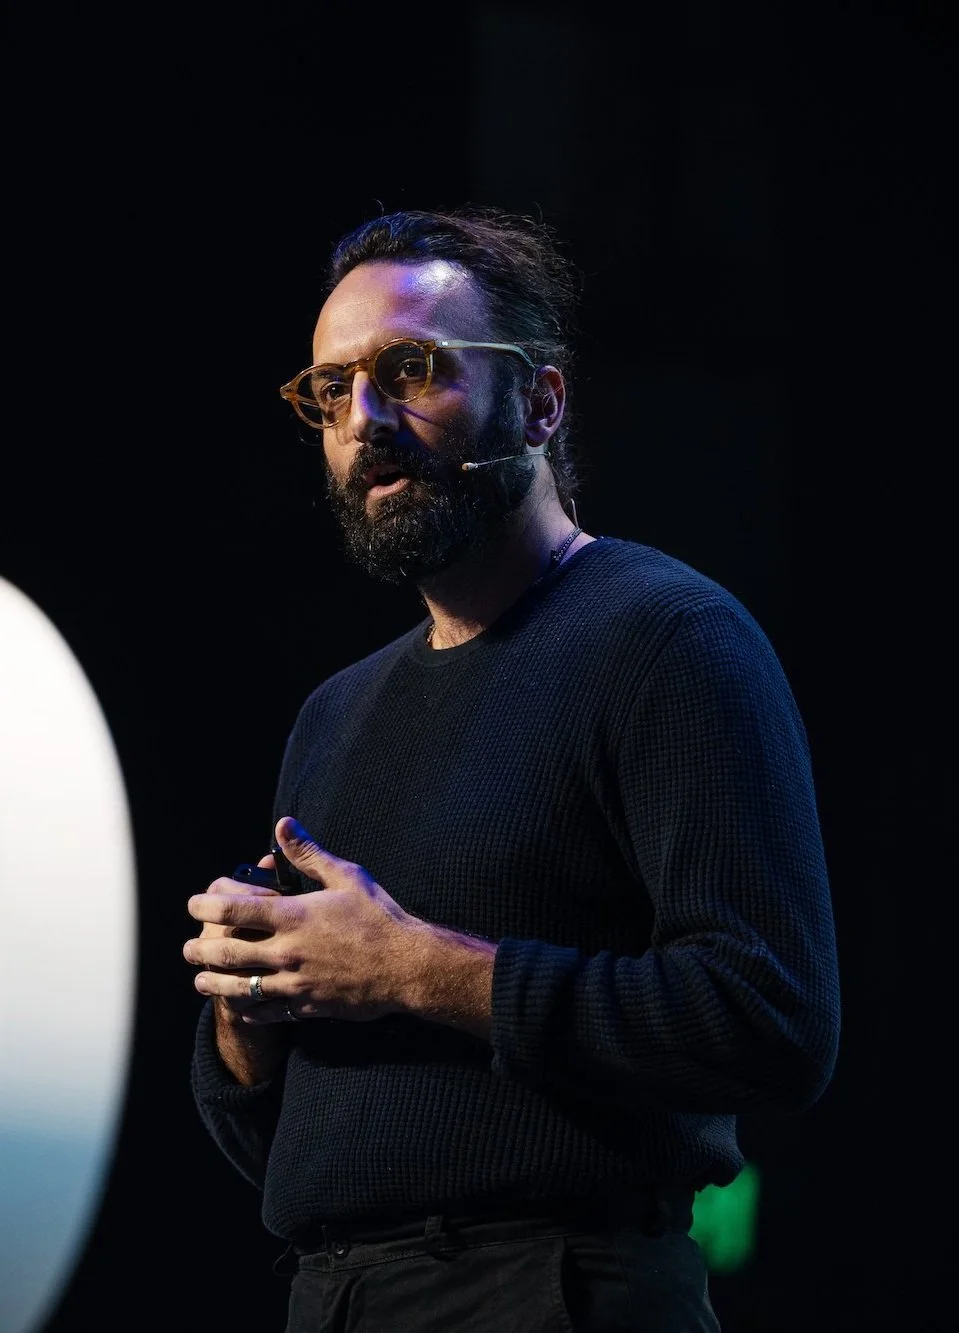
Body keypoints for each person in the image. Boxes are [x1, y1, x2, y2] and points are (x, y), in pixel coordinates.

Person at [183, 205, 841, 1332]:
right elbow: (290, 1140)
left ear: (540, 401)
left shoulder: (666, 639)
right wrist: (250, 1013)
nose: (365, 419)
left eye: (410, 369)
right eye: (332, 391)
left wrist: (411, 969)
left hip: (553, 1290)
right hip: (332, 1296)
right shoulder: (333, 714)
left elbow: (768, 1017)